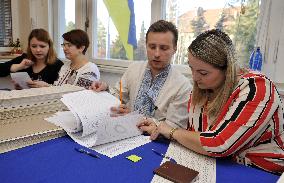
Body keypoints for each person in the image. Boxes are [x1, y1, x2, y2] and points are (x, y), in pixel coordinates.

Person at [138, 29, 284, 175]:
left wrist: (171, 131)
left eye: (203, 73)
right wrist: (160, 129)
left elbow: (220, 143)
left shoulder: (257, 88)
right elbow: (196, 137)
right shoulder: (204, 88)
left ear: (227, 70)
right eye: (191, 68)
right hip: (220, 165)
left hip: (263, 171)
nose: (195, 78)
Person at [90, 20, 191, 129]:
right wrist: (105, 89)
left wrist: (134, 119)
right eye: (152, 47)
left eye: (163, 48)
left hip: (157, 142)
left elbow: (174, 127)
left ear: (174, 49)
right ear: (146, 46)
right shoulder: (133, 69)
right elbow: (118, 96)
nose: (157, 54)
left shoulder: (183, 86)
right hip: (123, 133)